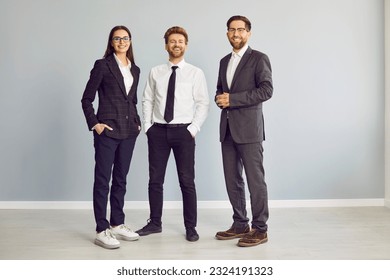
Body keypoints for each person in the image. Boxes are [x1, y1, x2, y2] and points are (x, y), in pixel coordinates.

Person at [137, 26, 209, 242]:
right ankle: (155, 223)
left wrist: (193, 129)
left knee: (187, 181)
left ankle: (191, 227)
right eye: (172, 41)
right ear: (166, 45)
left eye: (180, 41)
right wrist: (148, 126)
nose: (176, 45)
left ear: (185, 45)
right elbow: (147, 98)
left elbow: (203, 103)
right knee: (155, 180)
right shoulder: (155, 71)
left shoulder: (195, 73)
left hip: (183, 132)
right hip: (158, 131)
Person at [215, 15, 273, 247]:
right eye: (232, 29)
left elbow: (267, 90)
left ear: (248, 33)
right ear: (227, 33)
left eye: (240, 30)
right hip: (227, 129)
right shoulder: (223, 61)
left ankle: (260, 228)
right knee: (233, 180)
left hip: (249, 130)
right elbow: (221, 90)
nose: (236, 34)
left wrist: (233, 99)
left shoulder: (259, 59)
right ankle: (240, 223)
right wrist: (220, 99)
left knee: (255, 180)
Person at [81, 25, 141, 249]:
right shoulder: (102, 66)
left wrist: (137, 123)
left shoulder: (135, 69)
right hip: (107, 131)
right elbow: (86, 98)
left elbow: (131, 100)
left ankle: (117, 223)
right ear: (111, 42)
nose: (122, 41)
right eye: (117, 38)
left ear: (130, 41)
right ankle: (101, 229)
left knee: (121, 179)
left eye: (126, 38)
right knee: (102, 180)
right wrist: (95, 124)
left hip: (129, 133)